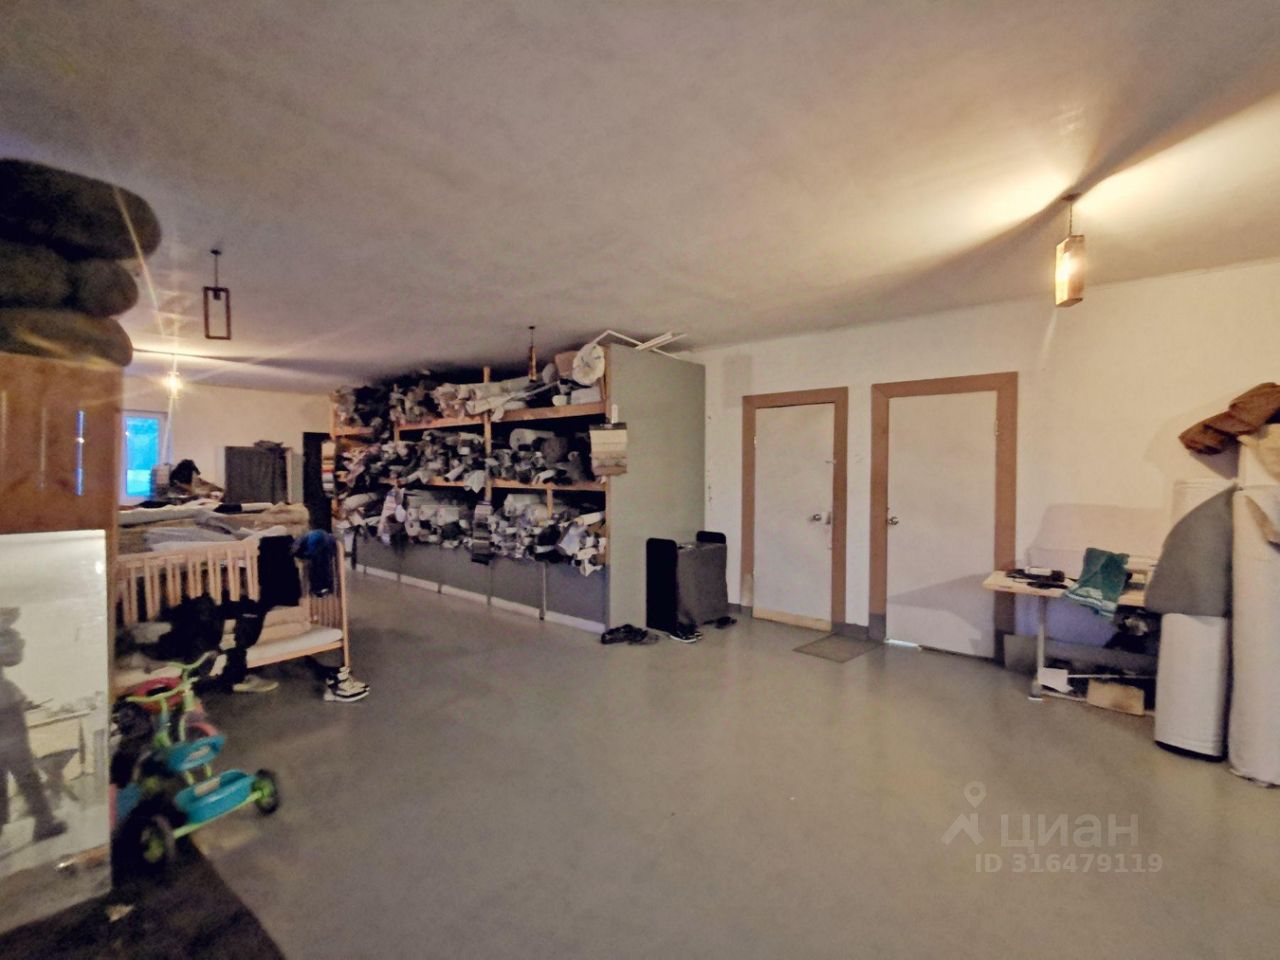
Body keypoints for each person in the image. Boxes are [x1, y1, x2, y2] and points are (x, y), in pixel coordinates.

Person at [0, 609, 67, 844]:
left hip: (6, 707)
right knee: (19, 768)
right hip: (6, 708)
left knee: (23, 767)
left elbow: (12, 656)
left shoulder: (5, 634)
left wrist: (6, 629)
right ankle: (39, 822)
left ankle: (44, 822)